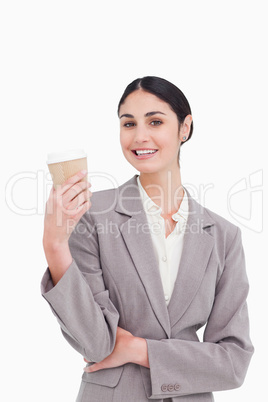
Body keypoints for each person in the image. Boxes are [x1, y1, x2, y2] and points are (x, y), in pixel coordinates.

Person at [41, 76, 254, 402]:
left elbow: (234, 363)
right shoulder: (92, 216)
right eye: (129, 124)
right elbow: (96, 344)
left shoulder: (224, 236)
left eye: (155, 121)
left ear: (185, 128)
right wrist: (55, 246)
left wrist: (139, 350)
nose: (140, 136)